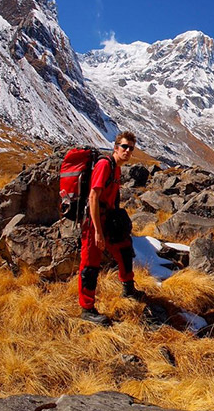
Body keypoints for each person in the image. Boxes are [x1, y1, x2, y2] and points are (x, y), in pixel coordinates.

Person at [78, 131, 144, 325]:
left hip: (108, 219)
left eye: (131, 148)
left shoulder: (117, 169)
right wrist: (98, 230)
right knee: (90, 265)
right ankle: (87, 309)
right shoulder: (104, 165)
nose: (127, 151)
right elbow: (93, 197)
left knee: (124, 249)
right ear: (116, 147)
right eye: (124, 147)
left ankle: (128, 289)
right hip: (93, 222)